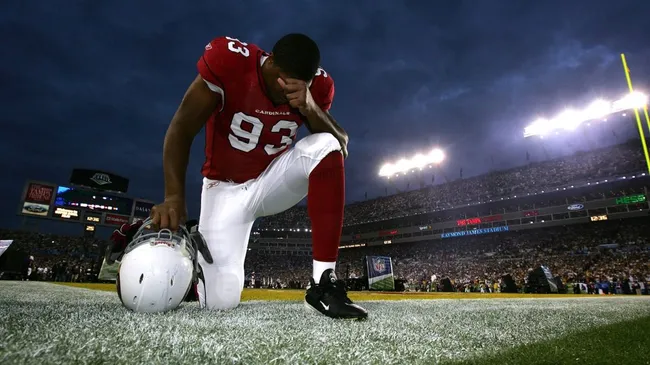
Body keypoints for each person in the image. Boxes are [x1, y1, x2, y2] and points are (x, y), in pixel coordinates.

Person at [149, 33, 367, 319]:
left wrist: (310, 106)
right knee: (219, 301)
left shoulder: (317, 87)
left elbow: (342, 143)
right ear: (271, 61)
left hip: (272, 180)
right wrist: (174, 196)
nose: (287, 92)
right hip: (224, 189)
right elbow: (181, 127)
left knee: (326, 145)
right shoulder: (230, 62)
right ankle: (195, 269)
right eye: (284, 81)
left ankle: (322, 284)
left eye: (299, 86)